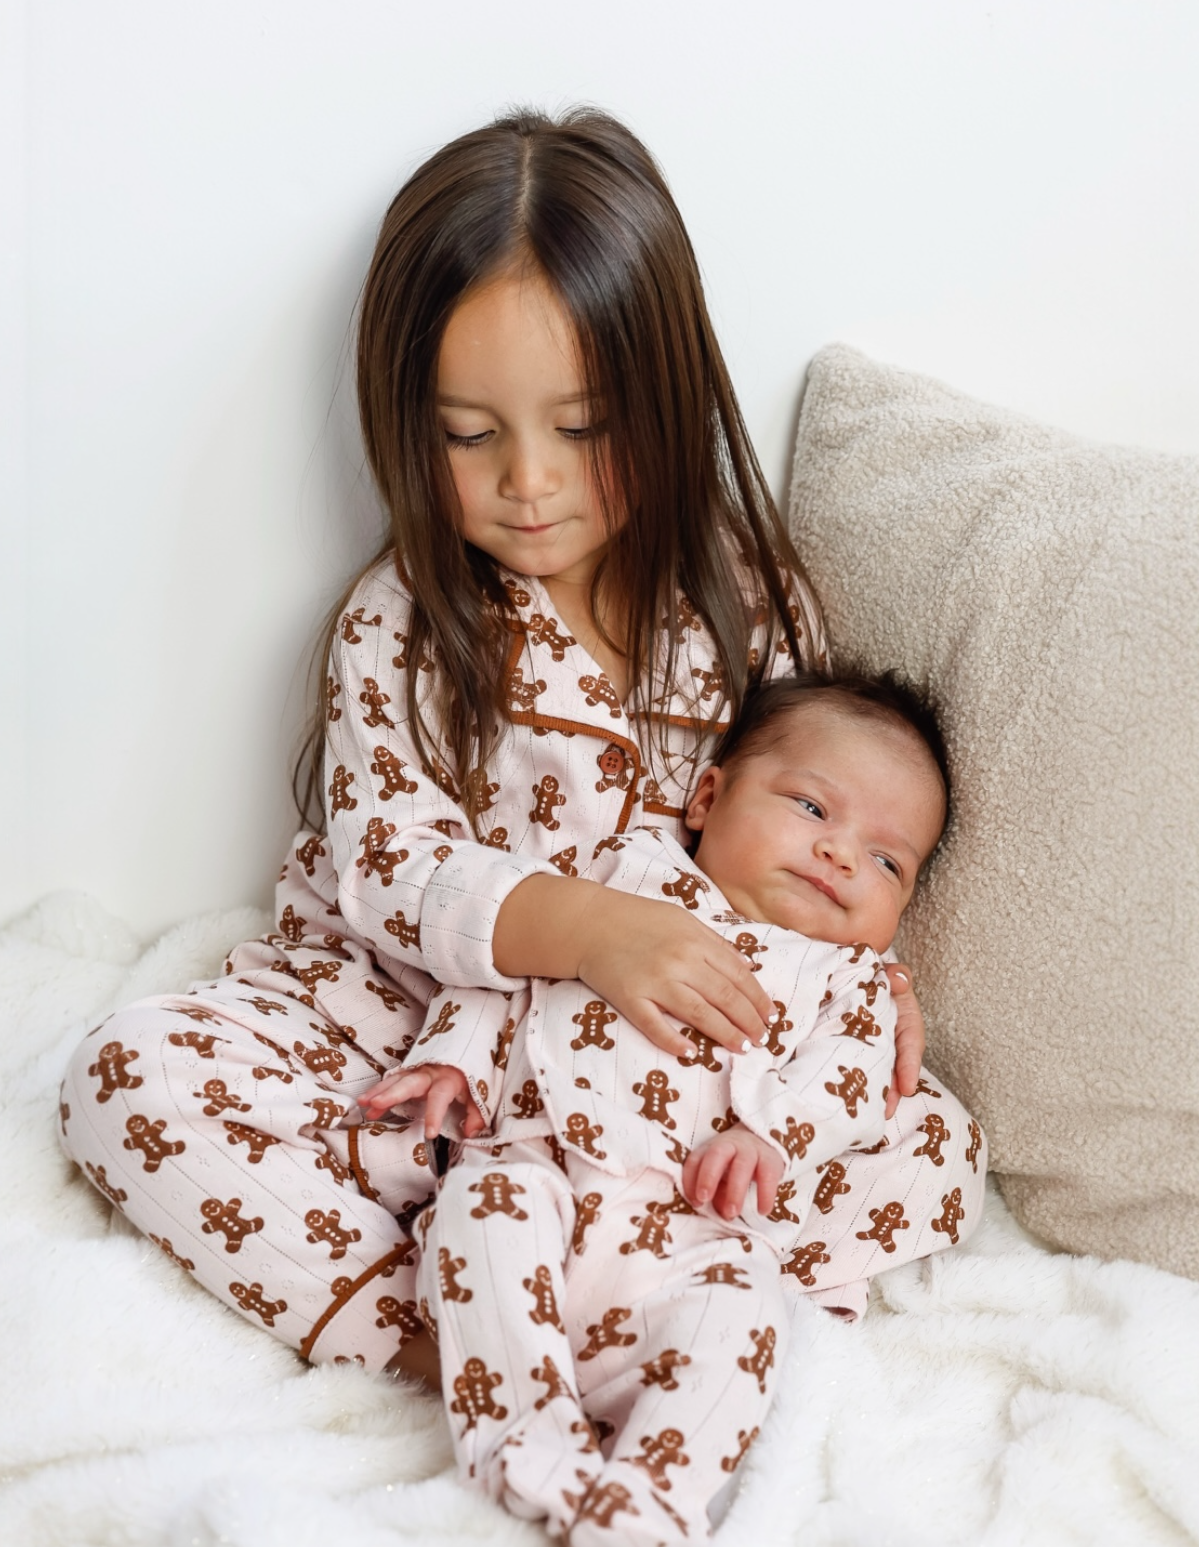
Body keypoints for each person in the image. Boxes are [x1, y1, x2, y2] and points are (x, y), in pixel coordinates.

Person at [57, 106, 980, 1382]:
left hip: (674, 1092)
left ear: (658, 398)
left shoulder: (751, 593)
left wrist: (858, 990)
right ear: (409, 421)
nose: (527, 482)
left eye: (582, 427)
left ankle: (658, 1273)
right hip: (425, 1038)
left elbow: (831, 811)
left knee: (932, 1143)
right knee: (127, 1076)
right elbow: (385, 859)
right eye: (469, 434)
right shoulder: (403, 622)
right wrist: (591, 931)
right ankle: (460, 1331)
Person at [357, 672, 985, 1547]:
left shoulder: (848, 981)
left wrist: (769, 1137)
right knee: (480, 1206)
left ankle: (657, 1485)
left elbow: (849, 1084)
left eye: (889, 862)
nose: (843, 857)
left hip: (691, 1230)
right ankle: (523, 1440)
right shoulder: (618, 879)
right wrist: (456, 1056)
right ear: (707, 796)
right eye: (812, 807)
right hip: (545, 1171)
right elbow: (507, 976)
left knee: (741, 1301)